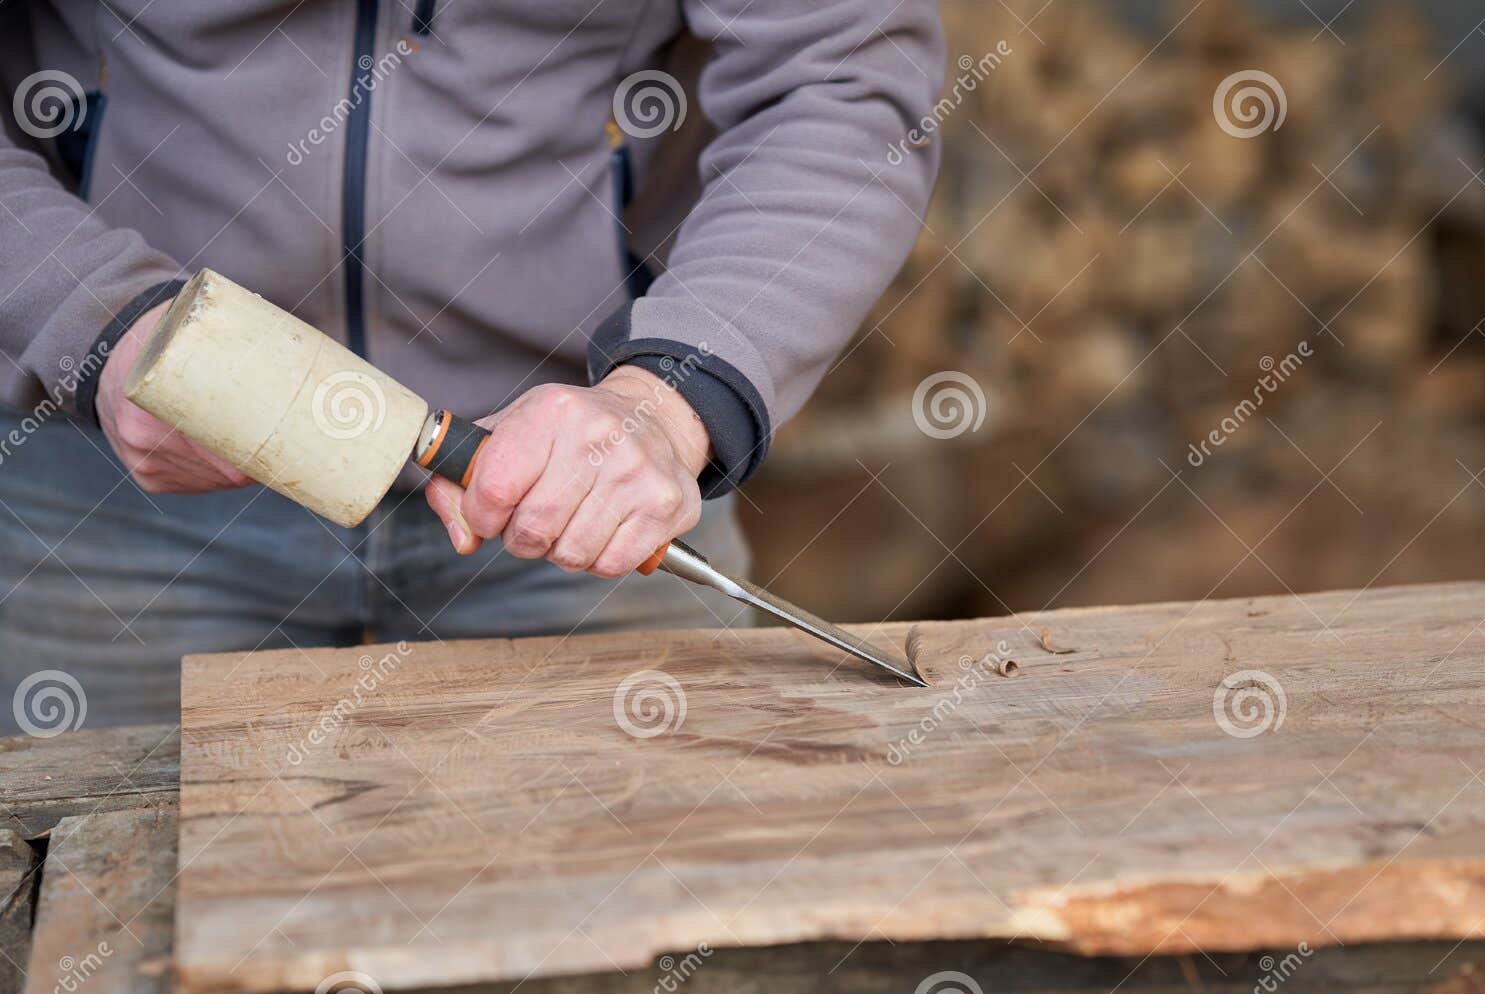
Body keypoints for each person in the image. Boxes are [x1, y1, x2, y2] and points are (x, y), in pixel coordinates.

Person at [0, 2, 944, 729]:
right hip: (108, 500)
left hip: (581, 484)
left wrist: (670, 397)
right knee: (98, 915)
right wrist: (89, 313)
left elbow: (842, 80)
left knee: (655, 899)